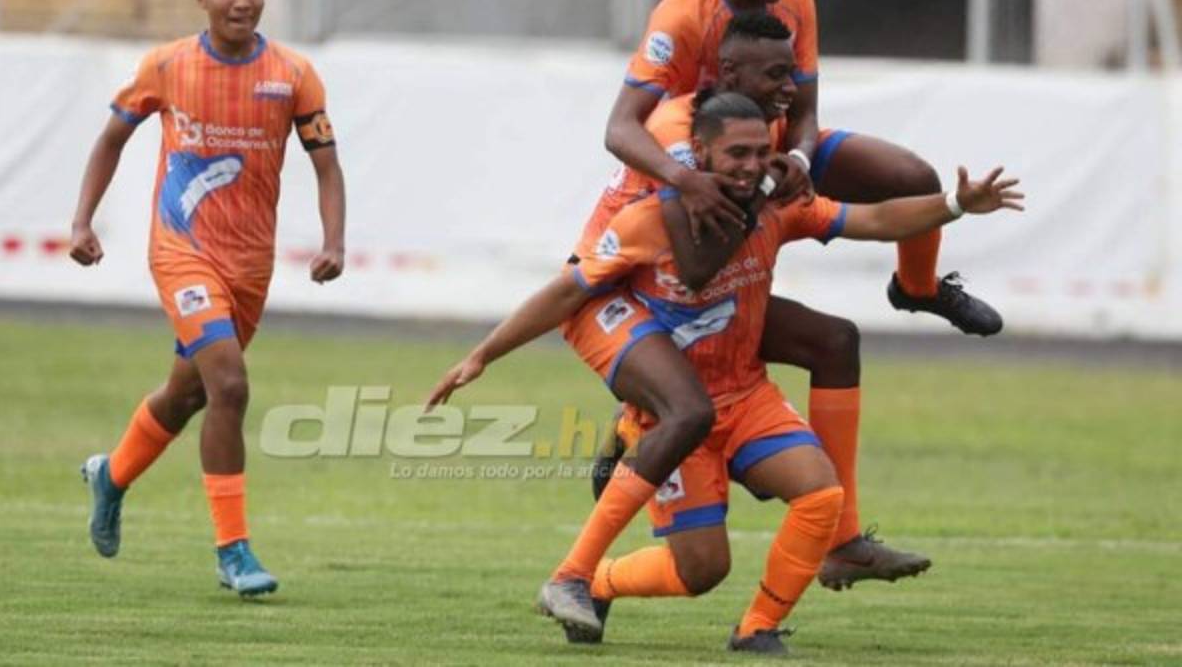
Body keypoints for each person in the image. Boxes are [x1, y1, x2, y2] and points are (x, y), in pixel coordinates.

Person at [426, 92, 1022, 655]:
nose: (752, 166)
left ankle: (758, 629)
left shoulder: (779, 207)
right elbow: (565, 293)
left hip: (745, 395)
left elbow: (874, 220)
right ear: (700, 154)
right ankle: (597, 576)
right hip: (680, 413)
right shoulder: (649, 221)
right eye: (737, 153)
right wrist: (481, 355)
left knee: (820, 493)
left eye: (761, 152)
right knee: (701, 572)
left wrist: (955, 206)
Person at [594, 0, 1003, 586]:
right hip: (702, 191)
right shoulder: (682, 14)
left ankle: (919, 288)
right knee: (756, 334)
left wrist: (802, 162)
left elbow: (805, 109)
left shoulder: (797, 3)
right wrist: (688, 180)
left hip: (772, 159)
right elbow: (620, 128)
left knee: (912, 179)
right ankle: (638, 429)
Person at [69, 0, 346, 598]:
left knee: (188, 393)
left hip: (250, 266)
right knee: (230, 386)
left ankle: (113, 474)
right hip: (181, 250)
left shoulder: (293, 75)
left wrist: (334, 239)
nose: (242, 1)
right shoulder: (167, 66)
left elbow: (326, 166)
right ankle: (234, 552)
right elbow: (111, 138)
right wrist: (83, 220)